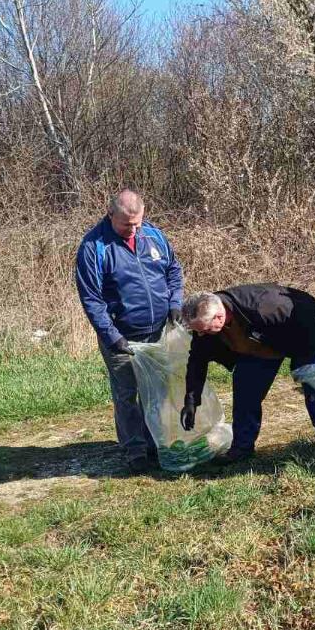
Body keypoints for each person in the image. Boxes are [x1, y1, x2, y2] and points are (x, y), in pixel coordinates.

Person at [76, 189, 184, 473]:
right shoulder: (94, 247)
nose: (134, 230)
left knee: (157, 390)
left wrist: (175, 304)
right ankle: (135, 450)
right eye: (127, 224)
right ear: (110, 214)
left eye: (138, 223)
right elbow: (92, 299)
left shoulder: (154, 235)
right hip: (120, 335)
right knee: (127, 394)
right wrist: (112, 336)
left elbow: (174, 270)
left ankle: (155, 443)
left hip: (158, 331)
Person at [179, 285, 315, 464]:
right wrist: (191, 401)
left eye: (204, 330)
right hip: (259, 345)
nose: (200, 334)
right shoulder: (204, 324)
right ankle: (242, 448)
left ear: (219, 317)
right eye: (197, 330)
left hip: (302, 330)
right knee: (245, 390)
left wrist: (308, 360)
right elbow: (197, 360)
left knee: (314, 387)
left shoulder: (266, 306)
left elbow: (309, 321)